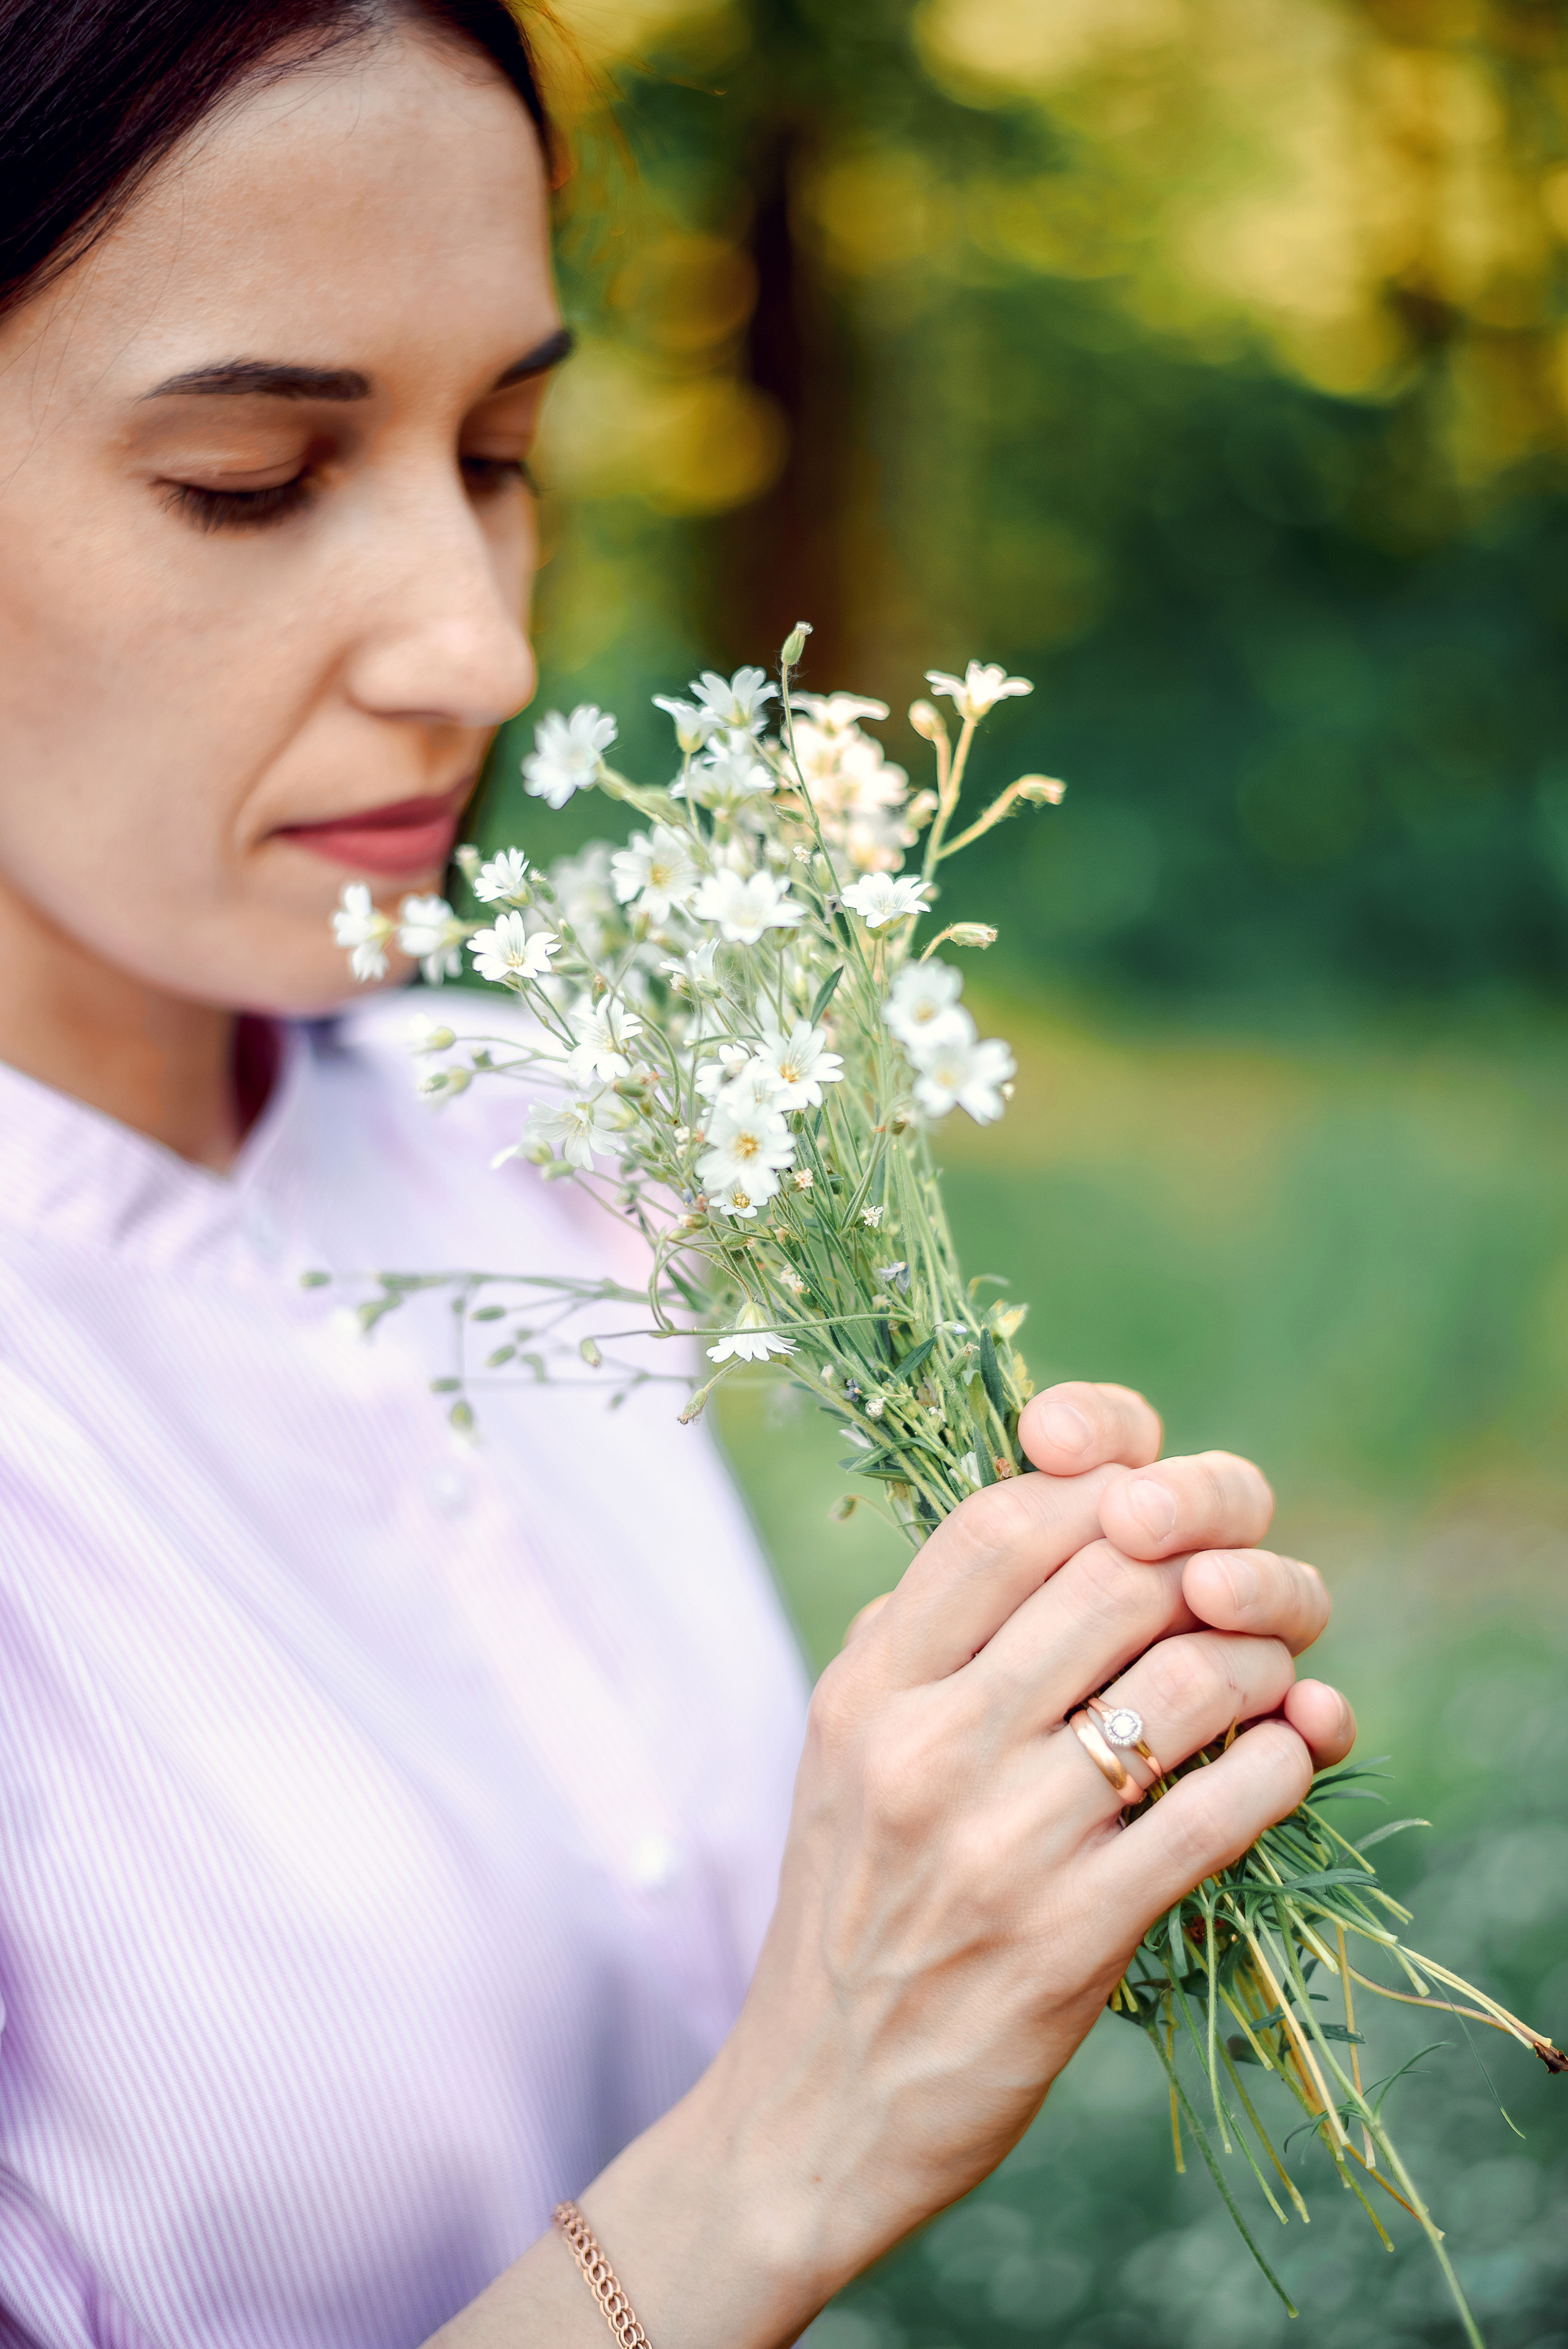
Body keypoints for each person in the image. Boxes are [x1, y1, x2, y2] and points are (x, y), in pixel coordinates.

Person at [0, 5, 1358, 2344]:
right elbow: (778, 2133)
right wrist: (785, 2153)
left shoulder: (540, 1130)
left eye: (505, 447)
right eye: (247, 477)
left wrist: (1013, 1797)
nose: (481, 645)